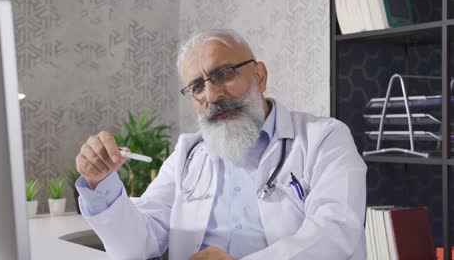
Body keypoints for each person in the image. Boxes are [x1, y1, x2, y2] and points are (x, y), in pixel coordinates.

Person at [75, 29, 367, 260]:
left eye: (224, 74)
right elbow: (138, 245)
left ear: (259, 76)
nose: (212, 95)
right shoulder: (188, 154)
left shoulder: (325, 139)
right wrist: (100, 184)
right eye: (197, 87)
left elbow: (334, 234)